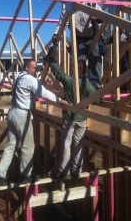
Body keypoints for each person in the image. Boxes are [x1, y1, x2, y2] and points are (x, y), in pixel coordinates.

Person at [0, 59, 65, 186]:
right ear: (26, 68)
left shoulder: (19, 77)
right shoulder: (30, 79)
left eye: (36, 67)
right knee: (28, 146)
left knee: (11, 146)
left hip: (13, 113)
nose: (35, 70)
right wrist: (59, 100)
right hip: (21, 115)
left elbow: (26, 93)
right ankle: (26, 175)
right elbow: (44, 92)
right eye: (33, 67)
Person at [44, 47, 100, 180]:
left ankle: (64, 171)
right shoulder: (87, 86)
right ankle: (76, 171)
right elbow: (97, 100)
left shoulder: (69, 81)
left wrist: (51, 59)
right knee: (78, 145)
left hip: (69, 119)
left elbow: (58, 72)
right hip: (81, 120)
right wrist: (97, 90)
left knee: (66, 145)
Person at [52, 0, 103, 89]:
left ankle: (95, 85)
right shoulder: (68, 10)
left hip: (93, 37)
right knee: (80, 63)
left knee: (95, 61)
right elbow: (62, 24)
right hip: (79, 39)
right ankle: (82, 86)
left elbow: (103, 18)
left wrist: (97, 18)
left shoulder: (92, 5)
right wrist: (56, 35)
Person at [105, 28, 130, 92]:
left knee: (127, 71)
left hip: (126, 56)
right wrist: (101, 40)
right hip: (118, 57)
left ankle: (127, 89)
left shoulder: (127, 33)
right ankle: (121, 90)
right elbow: (108, 41)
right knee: (119, 72)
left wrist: (125, 39)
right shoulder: (116, 34)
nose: (120, 28)